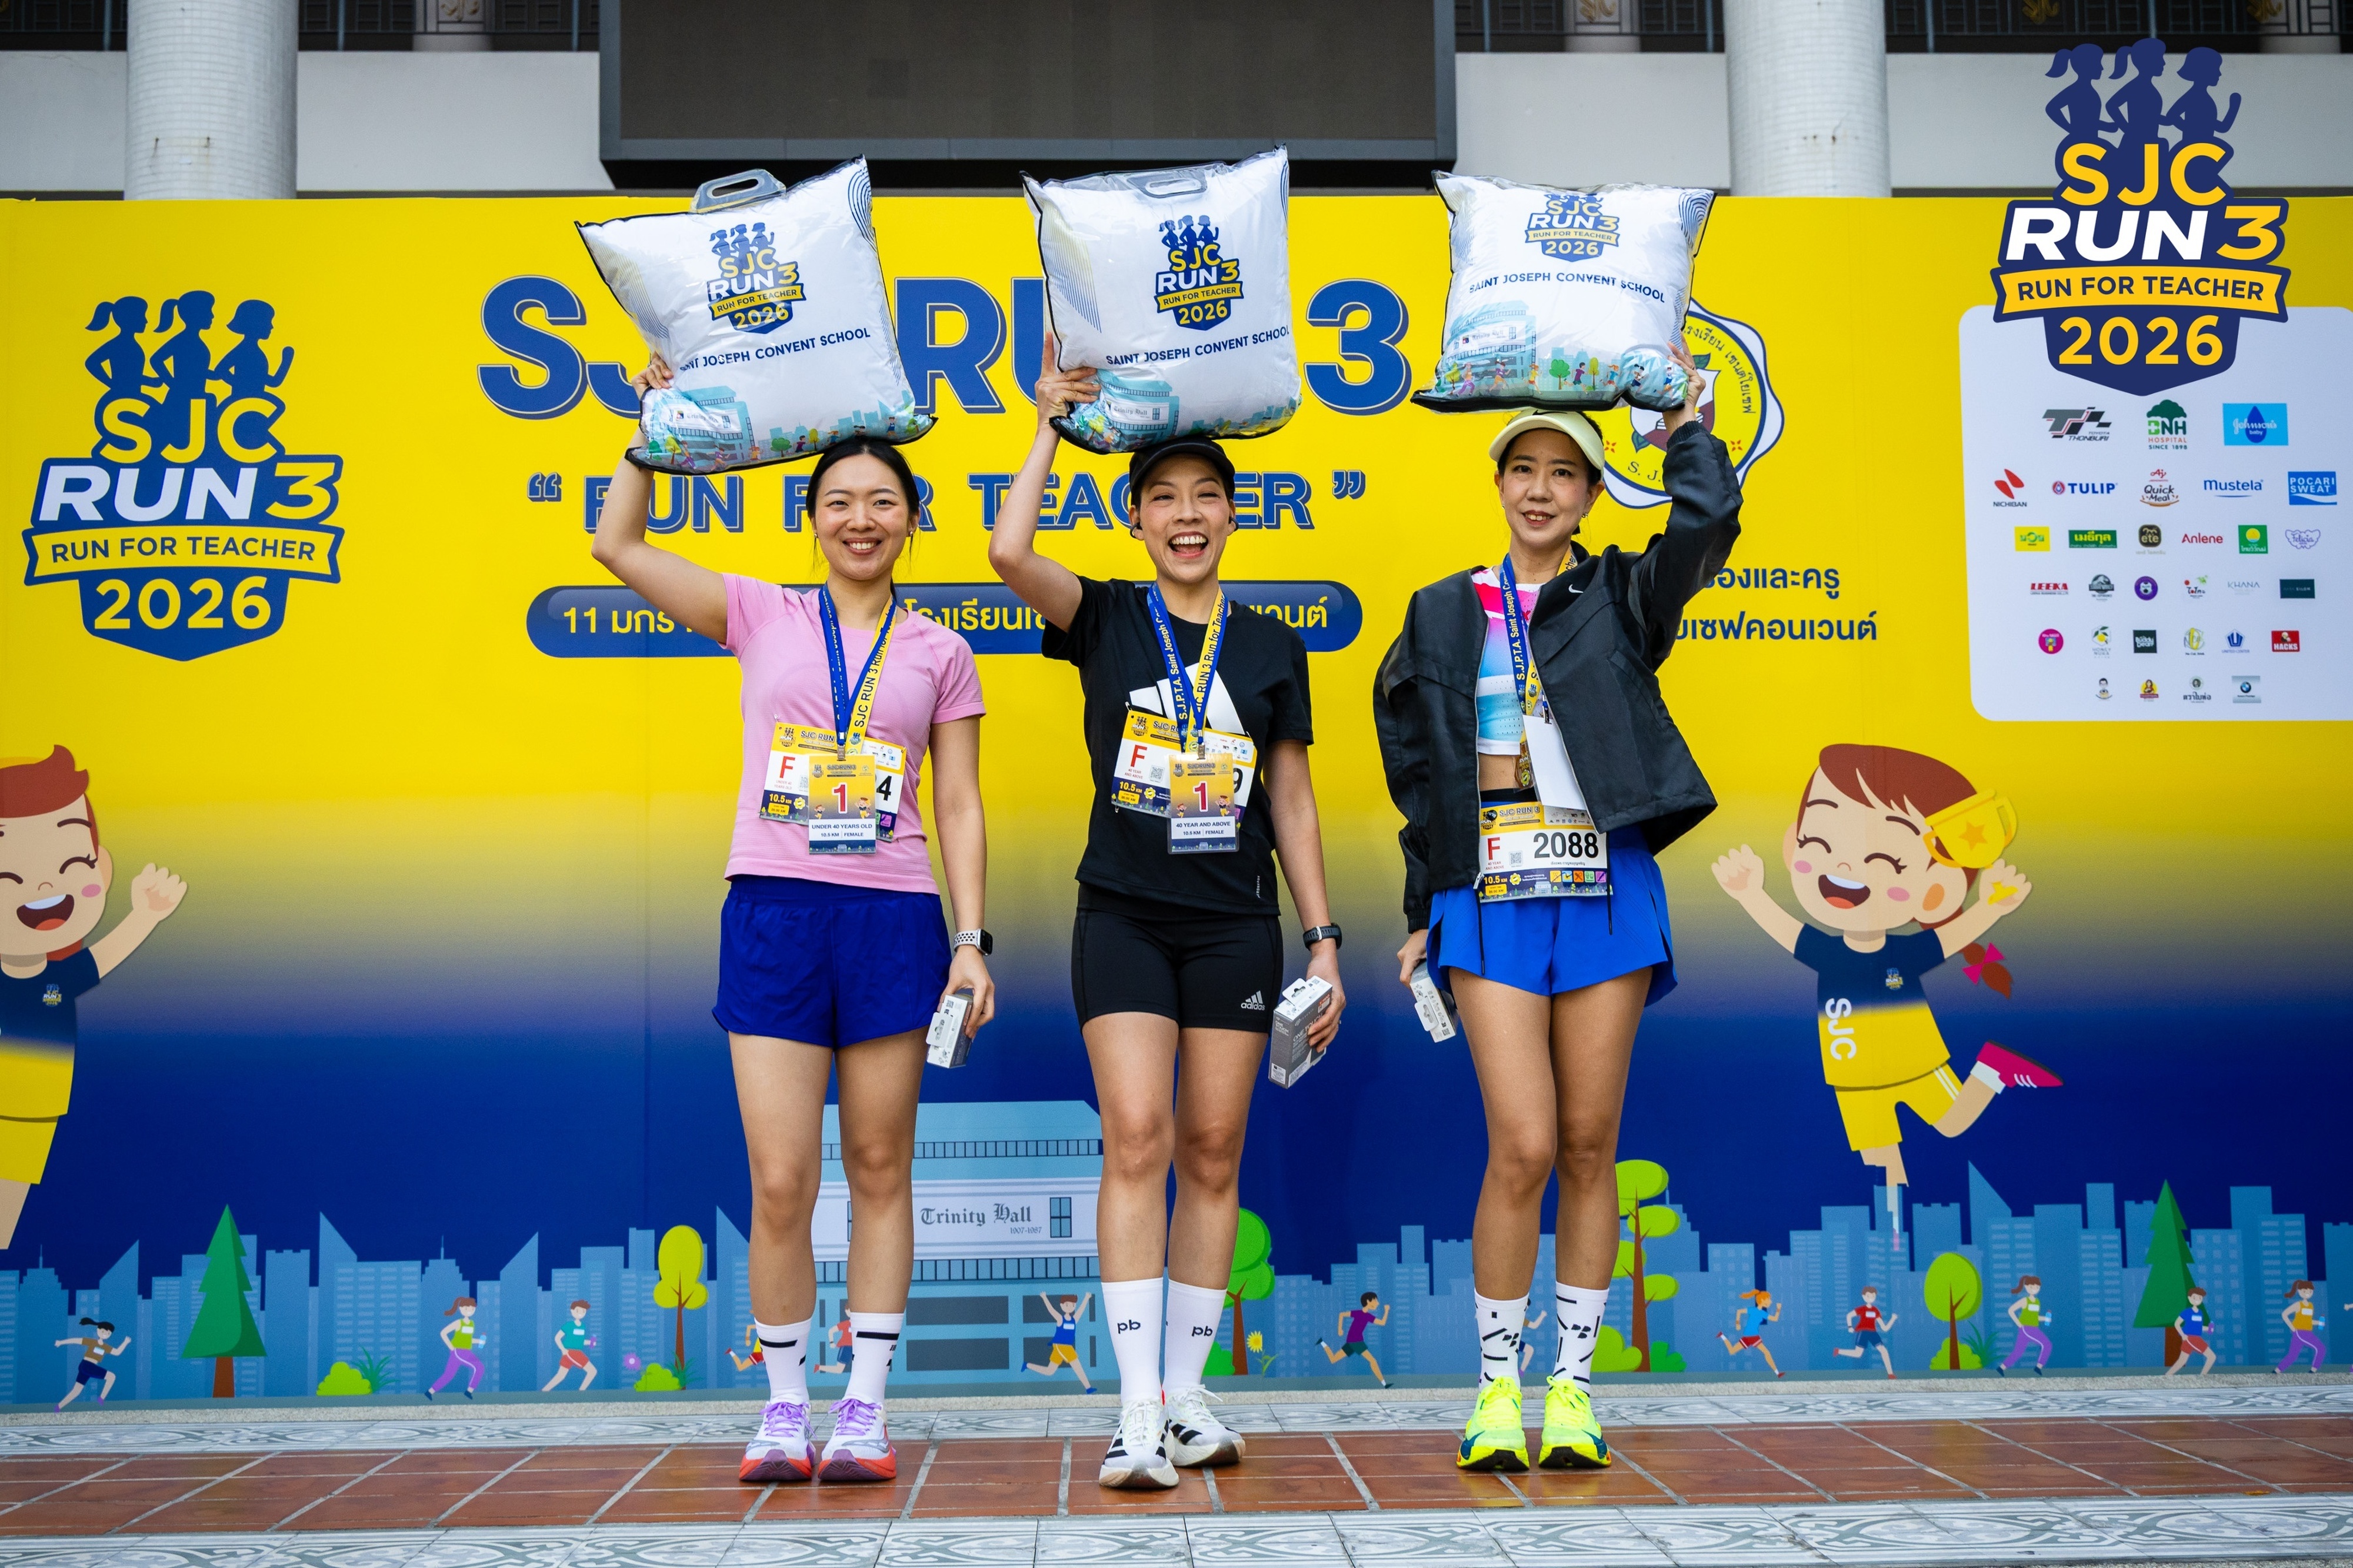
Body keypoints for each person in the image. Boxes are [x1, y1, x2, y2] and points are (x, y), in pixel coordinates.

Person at [595, 353, 994, 1486]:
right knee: (779, 1180)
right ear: (810, 519)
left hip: (894, 920)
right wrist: (650, 427)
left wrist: (971, 943)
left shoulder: (942, 651)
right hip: (774, 912)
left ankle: (863, 1408)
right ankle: (782, 1408)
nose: (861, 519)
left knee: (878, 1165)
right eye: (840, 502)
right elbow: (617, 544)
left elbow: (958, 804)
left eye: (883, 502)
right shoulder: (757, 611)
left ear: (912, 519)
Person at [988, 333, 1345, 1490]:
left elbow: (1291, 799)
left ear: (1233, 515)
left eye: (1205, 498)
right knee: (1137, 1136)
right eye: (1164, 499)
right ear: (1135, 518)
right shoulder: (1100, 617)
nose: (1186, 516)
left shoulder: (1271, 645)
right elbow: (1006, 550)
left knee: (1212, 1147)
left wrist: (1324, 940)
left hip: (1236, 925)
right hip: (1124, 918)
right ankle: (1135, 1408)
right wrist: (1049, 421)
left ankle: (1187, 1397)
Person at [1374, 345, 1738, 1475]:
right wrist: (1422, 904)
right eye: (1523, 469)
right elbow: (1419, 771)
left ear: (1590, 493)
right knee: (1524, 1142)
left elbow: (1706, 528)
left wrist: (1688, 432)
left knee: (1589, 1144)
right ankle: (1497, 1389)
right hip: (1487, 901)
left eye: (1564, 473)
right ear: (1498, 483)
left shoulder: (1623, 594)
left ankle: (1573, 1390)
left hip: (1606, 893)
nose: (1540, 490)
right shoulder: (1443, 611)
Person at [1318, 1292, 1393, 1387]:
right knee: (1373, 1361)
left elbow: (1382, 1323)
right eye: (1375, 1301)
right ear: (1368, 1301)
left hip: (1352, 1342)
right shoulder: (1358, 1313)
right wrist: (1340, 1329)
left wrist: (1386, 1311)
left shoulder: (1368, 1316)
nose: (1377, 1303)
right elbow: (1342, 1315)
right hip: (1357, 1342)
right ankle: (1384, 1384)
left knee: (1333, 1359)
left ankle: (1322, 1342)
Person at [53, 1317, 129, 1408]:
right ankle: (101, 1398)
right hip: (87, 1365)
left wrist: (125, 1343)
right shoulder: (92, 1342)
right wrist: (61, 1342)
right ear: (98, 1330)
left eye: (108, 1334)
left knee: (77, 1390)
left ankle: (58, 1407)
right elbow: (76, 1340)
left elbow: (117, 1352)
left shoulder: (106, 1347)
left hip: (86, 1367)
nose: (105, 1334)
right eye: (103, 1332)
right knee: (111, 1377)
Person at [1026, 1292, 1095, 1389]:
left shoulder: (1074, 1320)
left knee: (1050, 1371)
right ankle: (1088, 1388)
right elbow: (1051, 1310)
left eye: (1073, 1305)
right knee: (1077, 1365)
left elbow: (1081, 1310)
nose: (1070, 1307)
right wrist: (1045, 1298)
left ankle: (1027, 1365)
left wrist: (1086, 1298)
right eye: (1067, 1305)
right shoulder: (1060, 1319)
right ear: (1062, 1305)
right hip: (1061, 1346)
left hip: (1066, 1346)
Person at [426, 1296, 487, 1400]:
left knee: (449, 1375)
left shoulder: (472, 1324)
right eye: (467, 1309)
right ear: (461, 1309)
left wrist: (479, 1341)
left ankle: (430, 1392)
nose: (470, 1311)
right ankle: (469, 1391)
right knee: (480, 1367)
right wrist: (451, 1348)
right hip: (460, 1352)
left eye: (472, 1309)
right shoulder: (459, 1323)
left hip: (465, 1351)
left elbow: (467, 1339)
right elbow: (443, 1333)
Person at [1833, 1286, 1898, 1378]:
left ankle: (1890, 1374)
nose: (1871, 1298)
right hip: (1863, 1332)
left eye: (1873, 1296)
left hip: (1873, 1333)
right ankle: (1838, 1351)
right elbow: (1849, 1315)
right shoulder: (1862, 1309)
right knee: (1858, 1354)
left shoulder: (1876, 1310)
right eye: (1868, 1296)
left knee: (1884, 1351)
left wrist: (1893, 1319)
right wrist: (1850, 1327)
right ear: (1863, 1296)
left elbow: (1885, 1328)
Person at [1718, 1290, 1784, 1377]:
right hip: (1748, 1337)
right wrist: (1737, 1323)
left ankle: (1777, 1373)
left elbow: (1775, 1319)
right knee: (1732, 1351)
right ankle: (1722, 1336)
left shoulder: (1763, 1313)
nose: (1770, 1302)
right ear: (1762, 1300)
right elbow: (1739, 1311)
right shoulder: (1753, 1310)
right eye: (1768, 1299)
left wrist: (1778, 1309)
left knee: (1767, 1352)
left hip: (1754, 1337)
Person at [1997, 1276, 2055, 1376]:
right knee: (2047, 1345)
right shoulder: (2025, 1301)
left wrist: (2045, 1319)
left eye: (2037, 1287)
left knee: (2018, 1351)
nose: (2035, 1289)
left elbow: (2034, 1317)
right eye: (2032, 1287)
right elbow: (2011, 1310)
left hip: (2033, 1328)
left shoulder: (2037, 1302)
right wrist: (2019, 1324)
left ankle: (2001, 1368)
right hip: (2027, 1329)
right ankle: (2038, 1367)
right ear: (2026, 1287)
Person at [544, 1299, 598, 1391]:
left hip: (575, 1352)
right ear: (572, 1311)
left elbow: (579, 1341)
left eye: (583, 1311)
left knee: (561, 1376)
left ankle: (544, 1391)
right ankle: (581, 1392)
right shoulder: (569, 1325)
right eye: (578, 1311)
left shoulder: (583, 1326)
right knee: (592, 1371)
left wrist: (590, 1342)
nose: (580, 1313)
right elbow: (557, 1338)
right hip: (572, 1353)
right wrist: (563, 1350)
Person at [2167, 1287, 2218, 1376]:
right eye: (2195, 1298)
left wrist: (2208, 1329)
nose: (2197, 1300)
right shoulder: (2187, 1312)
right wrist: (2183, 1335)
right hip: (2191, 1338)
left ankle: (2168, 1375)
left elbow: (2198, 1327)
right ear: (2190, 1298)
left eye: (2200, 1298)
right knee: (2212, 1357)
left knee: (2182, 1360)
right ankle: (2203, 1376)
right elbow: (2177, 1324)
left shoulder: (2200, 1313)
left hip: (2195, 1338)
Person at [2277, 1282, 2326, 1373]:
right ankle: (2313, 1371)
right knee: (2321, 1348)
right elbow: (2284, 1314)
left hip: (2307, 1332)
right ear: (2299, 1291)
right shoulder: (2298, 1305)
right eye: (2305, 1291)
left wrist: (2319, 1323)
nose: (2308, 1293)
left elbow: (2308, 1321)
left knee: (2292, 1356)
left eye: (2310, 1292)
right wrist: (2292, 1328)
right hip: (2301, 1332)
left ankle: (2277, 1371)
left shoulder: (2311, 1306)